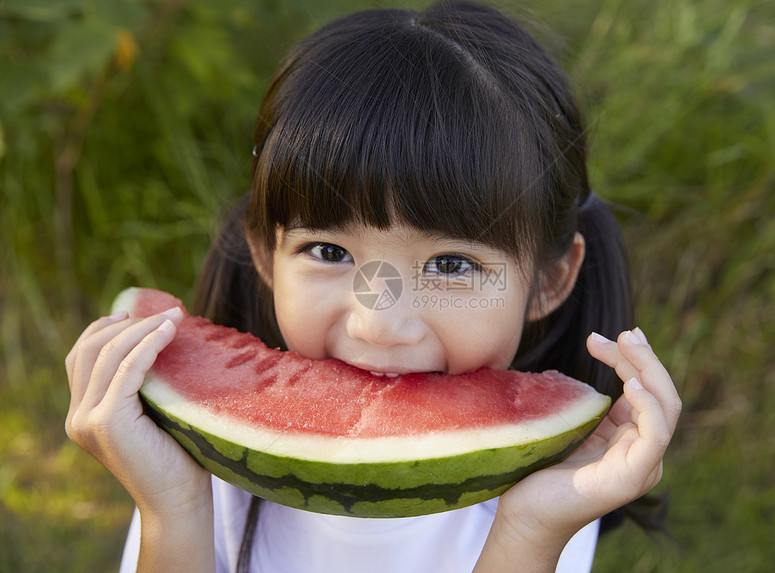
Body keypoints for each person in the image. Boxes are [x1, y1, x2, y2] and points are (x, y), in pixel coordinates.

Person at [64, 2, 682, 571]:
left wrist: (531, 532)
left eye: (451, 265)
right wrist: (171, 503)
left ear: (550, 281)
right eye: (329, 251)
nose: (379, 324)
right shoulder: (199, 472)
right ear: (265, 254)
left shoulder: (554, 496)